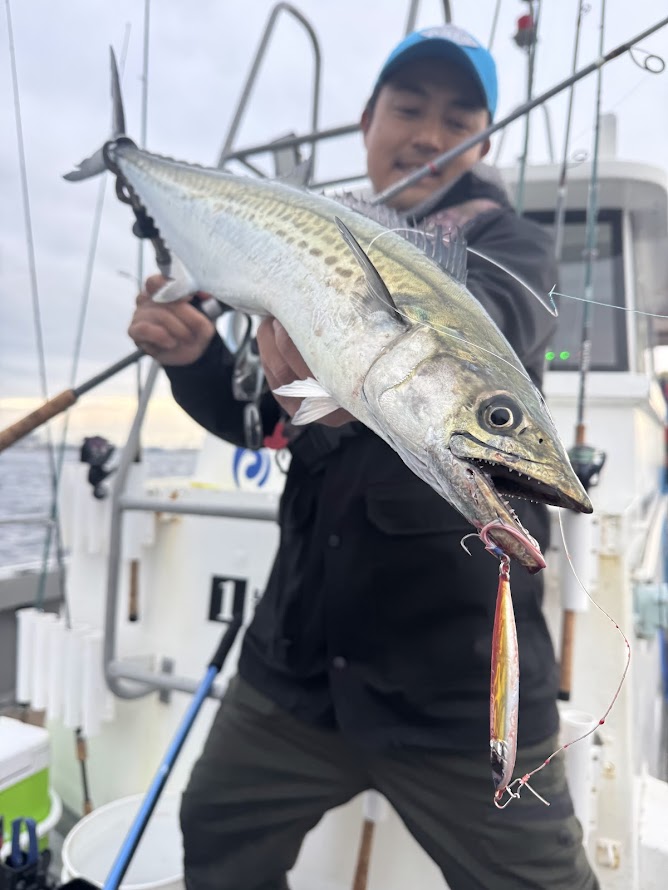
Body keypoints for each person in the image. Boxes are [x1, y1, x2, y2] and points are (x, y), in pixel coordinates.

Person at [129, 24, 599, 890]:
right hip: (296, 667)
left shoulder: (515, 248)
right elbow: (264, 422)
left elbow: (494, 314)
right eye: (408, 109)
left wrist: (357, 377)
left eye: (457, 119)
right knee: (216, 829)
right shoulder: (311, 234)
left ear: (484, 144)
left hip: (461, 696)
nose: (428, 134)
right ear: (366, 121)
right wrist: (195, 358)